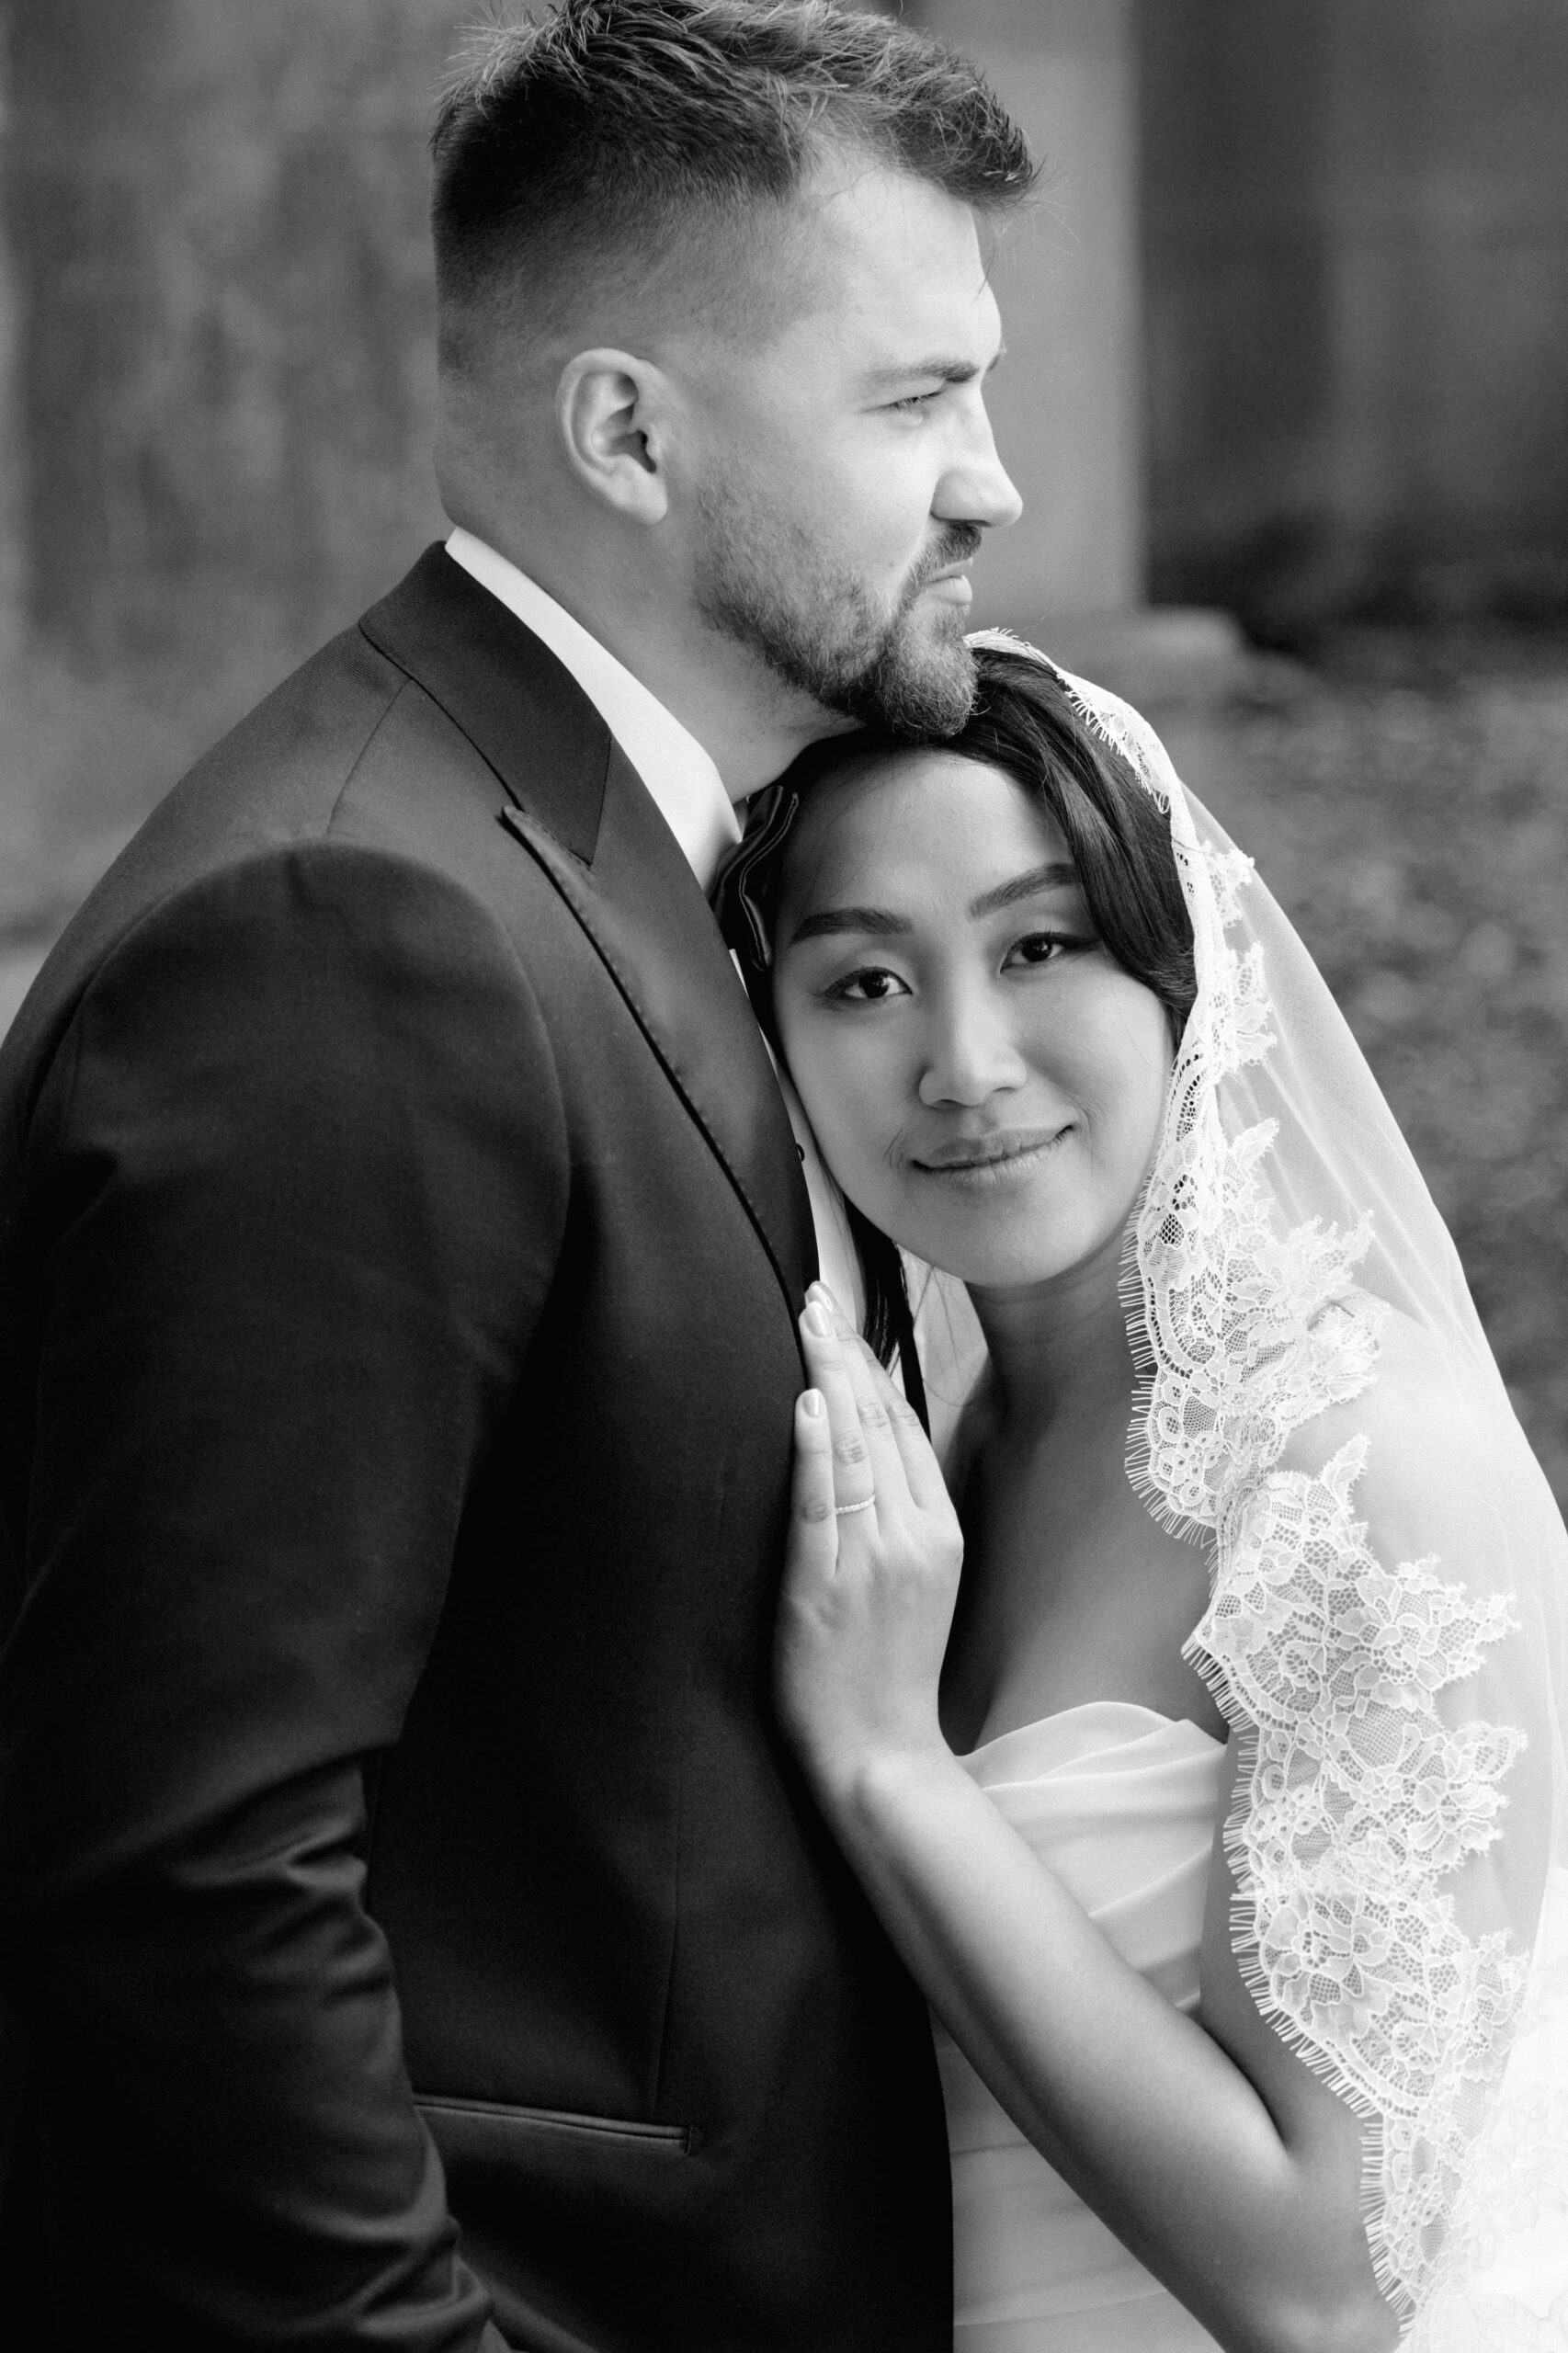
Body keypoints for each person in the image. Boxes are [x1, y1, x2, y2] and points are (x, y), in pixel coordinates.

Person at [0, 6, 1033, 2346]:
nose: (989, 480)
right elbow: (185, 1867)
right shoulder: (349, 939)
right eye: (911, 398)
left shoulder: (622, 851)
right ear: (629, 433)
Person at [717, 642, 1568, 2349]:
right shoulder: (913, 1429)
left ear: (1184, 980)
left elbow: (1328, 2290)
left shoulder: (1351, 1465)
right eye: (864, 983)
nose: (965, 1061)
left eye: (1042, 948)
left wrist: (889, 1762)